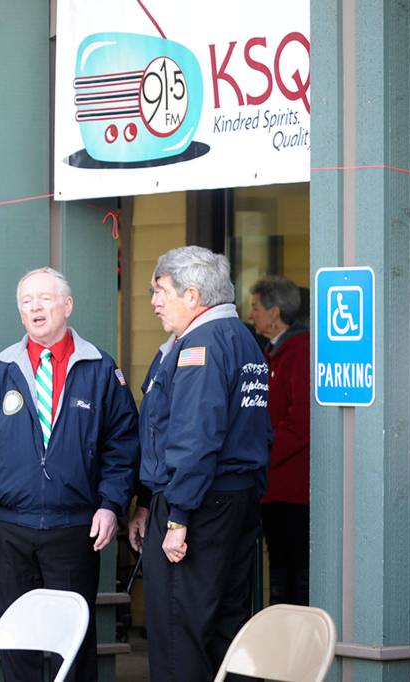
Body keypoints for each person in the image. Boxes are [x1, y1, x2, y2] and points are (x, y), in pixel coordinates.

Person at [0, 267, 139, 682]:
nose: (35, 307)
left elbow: (122, 447)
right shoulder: (0, 370)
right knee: (18, 639)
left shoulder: (99, 368)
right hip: (11, 528)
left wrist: (110, 505)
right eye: (26, 301)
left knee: (72, 639)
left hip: (75, 527)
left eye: (45, 298)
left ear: (67, 306)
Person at [127, 246, 271, 682]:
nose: (154, 302)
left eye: (160, 291)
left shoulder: (200, 346)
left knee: (180, 633)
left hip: (197, 504)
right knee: (227, 629)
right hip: (236, 501)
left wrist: (178, 517)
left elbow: (195, 438)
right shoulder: (243, 339)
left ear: (192, 295)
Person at [249, 275, 310, 605]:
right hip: (274, 484)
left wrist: (264, 453)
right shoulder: (272, 351)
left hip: (292, 487)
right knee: (280, 568)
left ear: (275, 312)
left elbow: (300, 420)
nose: (251, 315)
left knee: (294, 570)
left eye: (256, 308)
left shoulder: (299, 350)